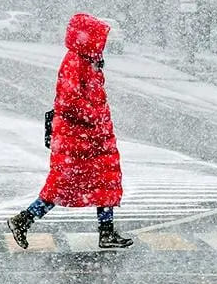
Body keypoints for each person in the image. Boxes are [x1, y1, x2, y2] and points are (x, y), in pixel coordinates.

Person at [8, 13, 133, 250]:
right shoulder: (75, 61)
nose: (103, 44)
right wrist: (94, 117)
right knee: (63, 184)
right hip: (77, 138)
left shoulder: (88, 60)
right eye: (99, 38)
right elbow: (68, 100)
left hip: (93, 136)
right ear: (87, 38)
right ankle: (23, 219)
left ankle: (106, 232)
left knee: (105, 180)